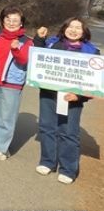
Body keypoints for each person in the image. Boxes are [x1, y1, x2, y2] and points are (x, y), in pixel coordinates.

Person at [34, 18, 99, 184]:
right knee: (47, 127)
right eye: (71, 26)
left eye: (78, 27)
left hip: (73, 98)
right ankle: (47, 162)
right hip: (49, 94)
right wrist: (39, 39)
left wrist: (79, 96)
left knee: (69, 132)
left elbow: (94, 82)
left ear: (84, 32)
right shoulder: (52, 43)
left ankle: (68, 169)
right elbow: (36, 58)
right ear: (64, 28)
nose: (74, 30)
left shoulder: (92, 52)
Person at [0, 6, 33, 162]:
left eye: (15, 20)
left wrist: (16, 49)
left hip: (12, 83)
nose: (11, 23)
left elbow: (24, 61)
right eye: (8, 19)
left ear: (21, 23)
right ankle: (0, 145)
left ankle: (0, 148)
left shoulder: (26, 41)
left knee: (7, 117)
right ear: (3, 21)